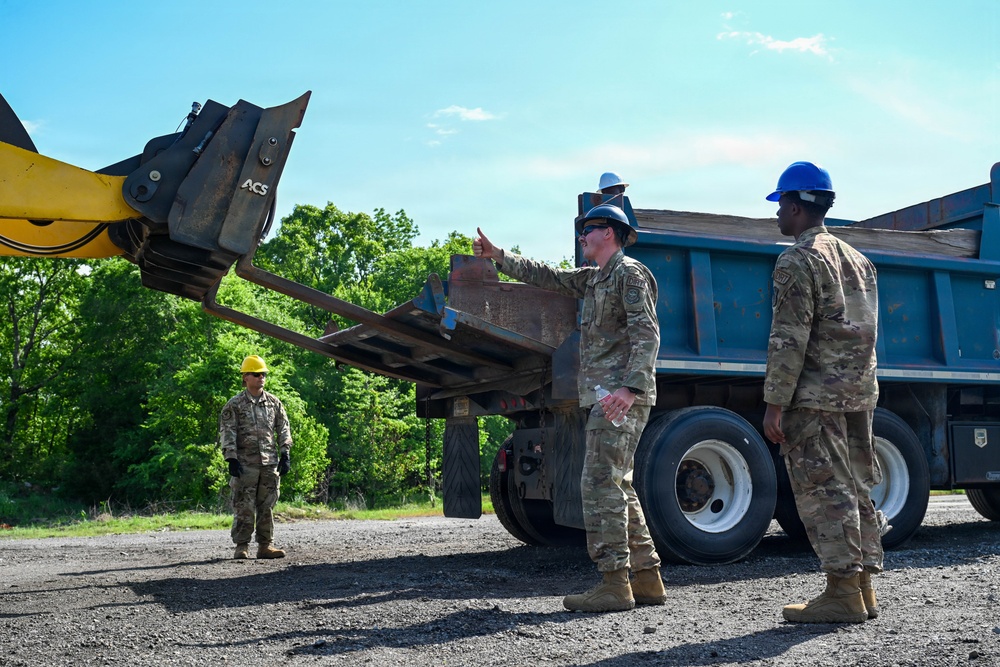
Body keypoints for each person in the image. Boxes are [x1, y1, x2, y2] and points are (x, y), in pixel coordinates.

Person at [474, 204, 664, 613]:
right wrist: (500, 256)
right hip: (607, 396)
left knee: (599, 484)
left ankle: (615, 584)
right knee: (616, 484)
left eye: (588, 230)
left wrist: (630, 389)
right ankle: (646, 578)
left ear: (609, 233)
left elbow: (647, 333)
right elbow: (549, 276)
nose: (582, 237)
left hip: (620, 398)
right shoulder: (596, 280)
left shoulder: (629, 274)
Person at [760, 161, 883, 623]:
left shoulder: (797, 260)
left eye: (779, 206)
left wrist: (775, 405)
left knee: (823, 491)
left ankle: (842, 592)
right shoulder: (859, 260)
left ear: (795, 206)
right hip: (858, 393)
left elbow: (788, 340)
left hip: (814, 398)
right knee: (855, 486)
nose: (777, 215)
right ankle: (863, 587)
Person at [219, 355, 293, 560]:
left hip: (269, 464)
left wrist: (285, 453)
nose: (261, 378)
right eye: (257, 374)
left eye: (264, 374)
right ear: (245, 377)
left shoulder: (274, 403)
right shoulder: (234, 405)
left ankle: (265, 546)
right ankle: (241, 547)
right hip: (245, 465)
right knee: (243, 506)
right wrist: (231, 458)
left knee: (266, 507)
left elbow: (283, 428)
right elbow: (228, 431)